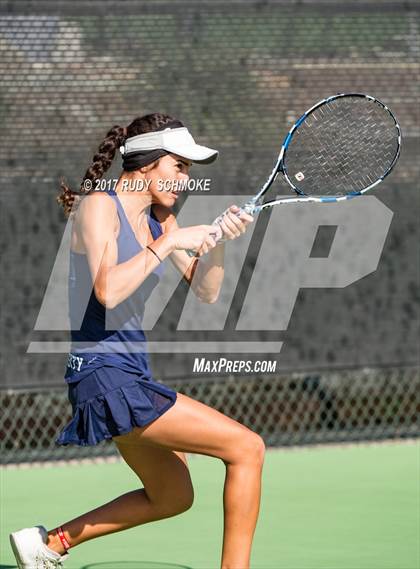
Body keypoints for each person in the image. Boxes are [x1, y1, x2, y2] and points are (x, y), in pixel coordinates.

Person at [9, 114, 265, 569]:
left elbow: (206, 293)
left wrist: (217, 242)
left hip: (130, 374)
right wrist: (168, 245)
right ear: (146, 163)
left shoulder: (159, 219)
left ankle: (49, 544)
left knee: (172, 495)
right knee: (247, 449)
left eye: (189, 171)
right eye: (179, 166)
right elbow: (107, 290)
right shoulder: (98, 207)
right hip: (103, 376)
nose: (185, 180)